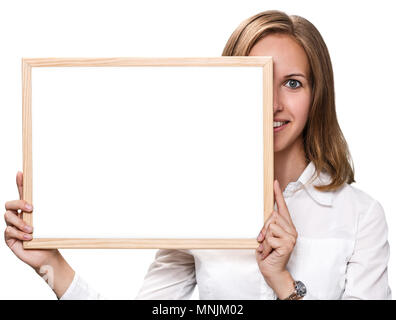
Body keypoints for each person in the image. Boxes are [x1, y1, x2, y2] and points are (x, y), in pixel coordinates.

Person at [4, 10, 391, 300]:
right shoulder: (197, 206)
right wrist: (52, 265)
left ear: (317, 94)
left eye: (292, 83)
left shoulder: (360, 216)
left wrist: (284, 283)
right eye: (258, 79)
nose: (273, 103)